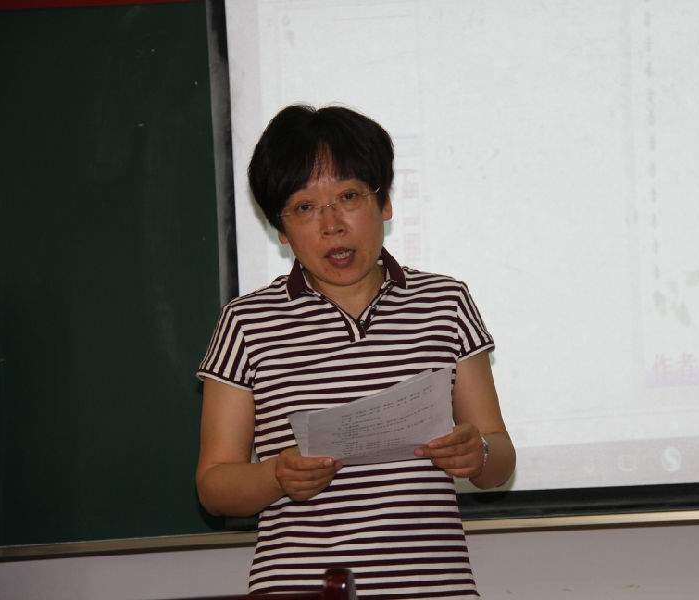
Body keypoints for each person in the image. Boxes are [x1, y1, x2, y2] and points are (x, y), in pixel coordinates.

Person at [195, 104, 515, 598]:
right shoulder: (246, 322)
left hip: (434, 588)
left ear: (383, 202)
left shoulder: (445, 303)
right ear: (281, 229)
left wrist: (479, 453)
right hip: (303, 589)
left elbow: (499, 459)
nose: (332, 225)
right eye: (305, 207)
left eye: (348, 197)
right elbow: (214, 486)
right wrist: (276, 476)